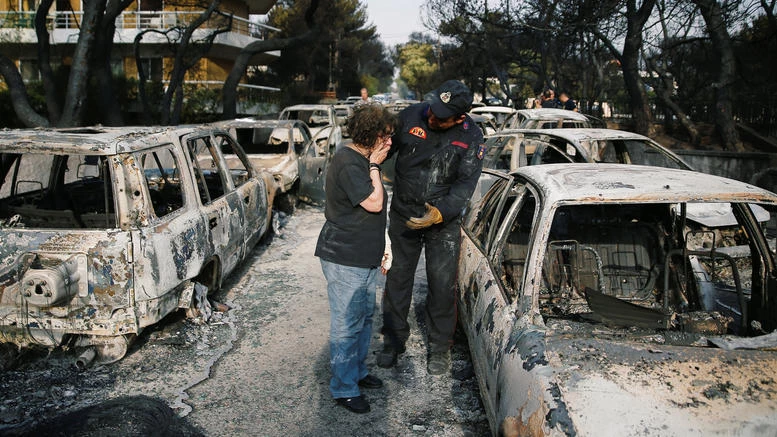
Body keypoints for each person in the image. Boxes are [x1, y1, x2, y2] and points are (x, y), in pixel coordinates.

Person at [377, 80, 485, 375]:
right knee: (397, 280)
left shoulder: (472, 137)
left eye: (442, 115)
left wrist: (439, 214)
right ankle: (393, 342)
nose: (432, 117)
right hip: (403, 215)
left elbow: (465, 186)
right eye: (433, 108)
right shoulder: (411, 116)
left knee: (441, 286)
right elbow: (383, 152)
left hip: (442, 224)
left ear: (460, 117)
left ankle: (439, 348)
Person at [315, 103, 396, 414]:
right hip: (344, 256)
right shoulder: (352, 162)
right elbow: (374, 204)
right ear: (369, 136)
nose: (390, 142)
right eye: (385, 136)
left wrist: (383, 245)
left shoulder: (360, 157)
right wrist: (375, 166)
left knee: (363, 320)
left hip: (363, 256)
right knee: (347, 324)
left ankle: (357, 373)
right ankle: (344, 388)